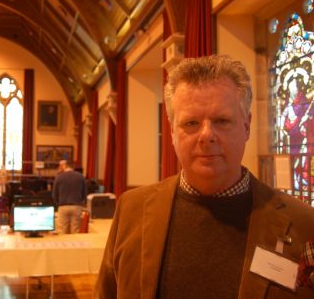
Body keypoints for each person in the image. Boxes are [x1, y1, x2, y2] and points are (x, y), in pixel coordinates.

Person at [94, 55, 314, 298]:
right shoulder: (131, 210)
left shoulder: (303, 223)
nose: (207, 135)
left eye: (222, 120)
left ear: (247, 126)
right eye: (191, 123)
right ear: (172, 131)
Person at [52, 159, 87, 234]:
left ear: (65, 166)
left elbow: (54, 194)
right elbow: (85, 193)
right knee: (75, 231)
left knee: (62, 231)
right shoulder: (80, 176)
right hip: (76, 206)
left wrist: (58, 203)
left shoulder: (59, 177)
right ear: (73, 167)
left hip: (63, 206)